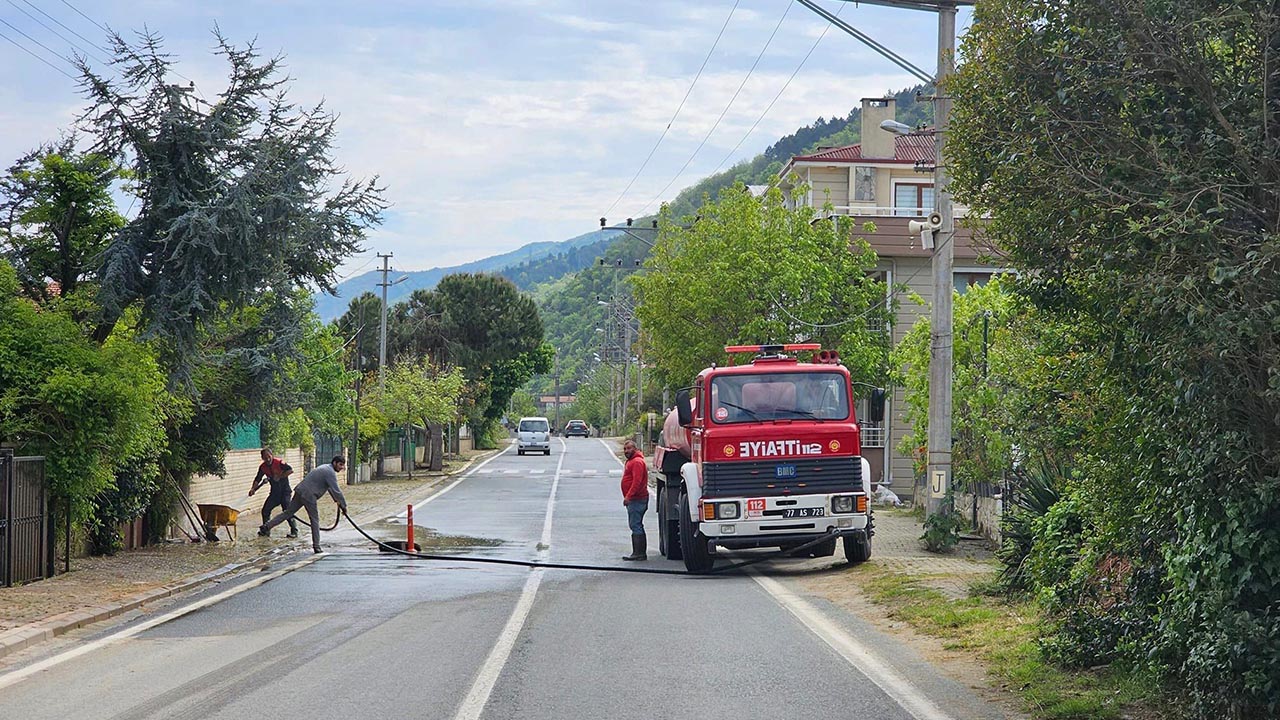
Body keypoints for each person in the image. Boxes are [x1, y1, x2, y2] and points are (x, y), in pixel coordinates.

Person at [259, 456, 348, 554]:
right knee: (314, 520)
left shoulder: (325, 468)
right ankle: (317, 546)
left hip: (300, 490)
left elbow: (331, 489)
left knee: (288, 513)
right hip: (309, 495)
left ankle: (267, 526)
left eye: (343, 465)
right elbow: (337, 490)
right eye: (340, 464)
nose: (341, 467)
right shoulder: (330, 472)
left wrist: (338, 502)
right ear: (335, 463)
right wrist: (343, 506)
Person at [249, 448, 298, 538]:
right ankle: (266, 530)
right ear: (262, 458)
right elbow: (257, 478)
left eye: (269, 456)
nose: (267, 459)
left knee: (287, 511)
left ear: (272, 455)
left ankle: (294, 531)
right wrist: (253, 488)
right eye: (265, 457)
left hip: (285, 492)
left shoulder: (279, 463)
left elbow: (290, 470)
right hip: (274, 494)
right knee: (265, 510)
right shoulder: (263, 467)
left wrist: (280, 476)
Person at [620, 439, 649, 561]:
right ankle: (638, 552)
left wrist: (628, 496)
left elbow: (637, 482)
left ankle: (639, 553)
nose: (627, 451)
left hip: (637, 499)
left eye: (629, 448)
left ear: (635, 449)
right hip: (635, 499)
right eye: (625, 449)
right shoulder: (632, 461)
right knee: (635, 524)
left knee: (636, 525)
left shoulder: (637, 462)